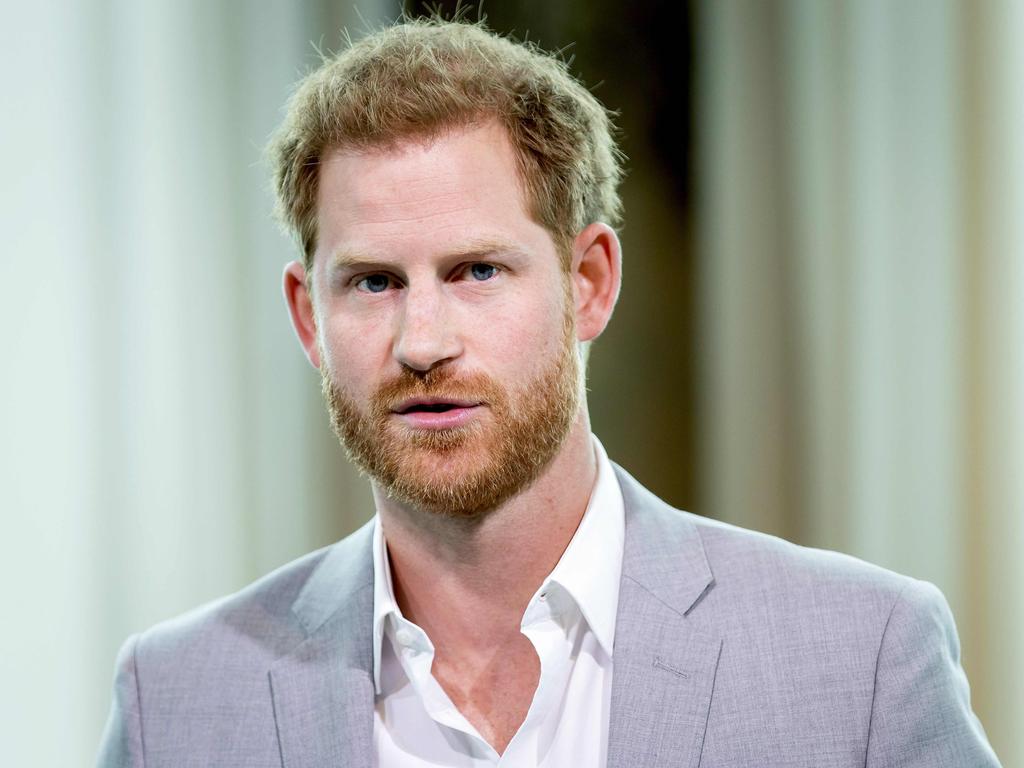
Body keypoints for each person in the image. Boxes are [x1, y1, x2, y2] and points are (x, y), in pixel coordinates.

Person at [97, 18, 1000, 767]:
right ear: (307, 317)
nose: (423, 342)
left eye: (477, 270)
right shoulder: (175, 705)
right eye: (372, 282)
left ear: (590, 283)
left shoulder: (862, 661)